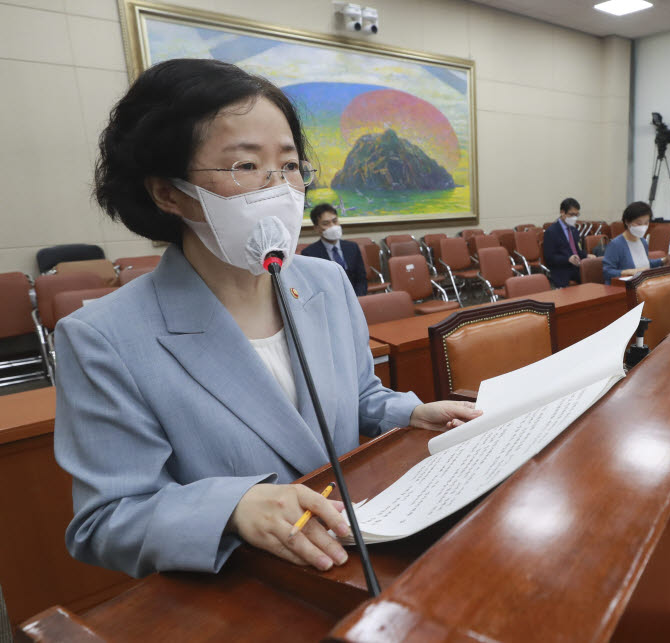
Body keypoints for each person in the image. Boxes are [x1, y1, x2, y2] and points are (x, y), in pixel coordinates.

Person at [54, 58, 480, 579]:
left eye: (290, 166)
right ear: (167, 192)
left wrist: (408, 414)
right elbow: (105, 520)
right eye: (245, 166)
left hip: (359, 549)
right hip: (248, 586)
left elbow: (360, 397)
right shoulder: (103, 338)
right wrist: (231, 508)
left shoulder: (324, 282)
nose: (278, 189)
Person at [301, 204, 367, 296]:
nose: (332, 226)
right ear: (316, 228)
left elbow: (361, 279)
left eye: (335, 221)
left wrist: (358, 298)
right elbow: (314, 286)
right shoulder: (309, 254)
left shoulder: (352, 247)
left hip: (356, 297)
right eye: (326, 223)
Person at [602, 201, 664, 283]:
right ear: (627, 222)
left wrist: (663, 260)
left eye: (646, 223)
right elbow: (607, 272)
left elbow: (644, 265)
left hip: (643, 285)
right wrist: (628, 272)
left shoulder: (643, 242)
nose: (643, 227)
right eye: (639, 223)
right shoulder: (616, 244)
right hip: (624, 288)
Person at [543, 197, 595, 288]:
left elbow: (577, 251)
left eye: (576, 215)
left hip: (576, 266)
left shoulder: (574, 230)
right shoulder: (551, 231)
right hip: (561, 269)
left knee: (594, 275)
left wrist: (587, 256)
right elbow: (550, 258)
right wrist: (567, 259)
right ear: (562, 212)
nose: (574, 218)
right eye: (571, 214)